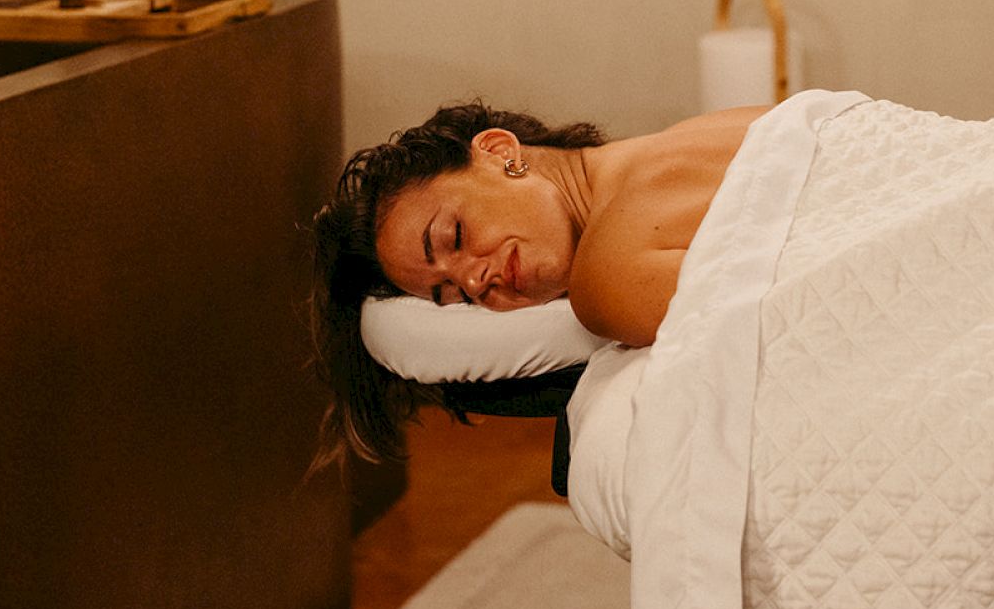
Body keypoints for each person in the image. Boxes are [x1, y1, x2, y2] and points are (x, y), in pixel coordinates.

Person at [311, 99, 763, 462]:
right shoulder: (711, 125)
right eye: (456, 296)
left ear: (499, 152)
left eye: (455, 236)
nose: (474, 279)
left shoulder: (609, 280)